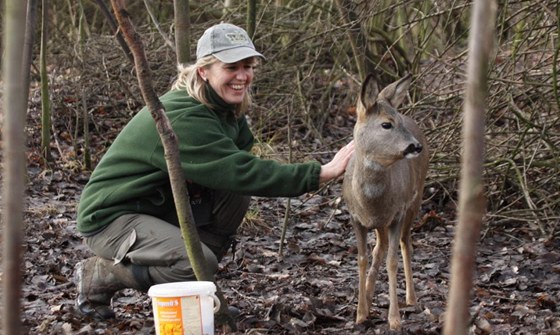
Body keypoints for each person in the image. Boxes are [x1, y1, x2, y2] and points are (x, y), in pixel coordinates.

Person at [74, 22, 355, 320]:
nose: (243, 76)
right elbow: (240, 170)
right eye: (231, 67)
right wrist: (319, 173)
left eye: (248, 66)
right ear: (203, 71)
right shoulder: (184, 116)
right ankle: (102, 273)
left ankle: (199, 287)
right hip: (111, 217)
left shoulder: (222, 108)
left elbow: (237, 164)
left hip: (155, 206)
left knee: (232, 197)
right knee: (194, 261)